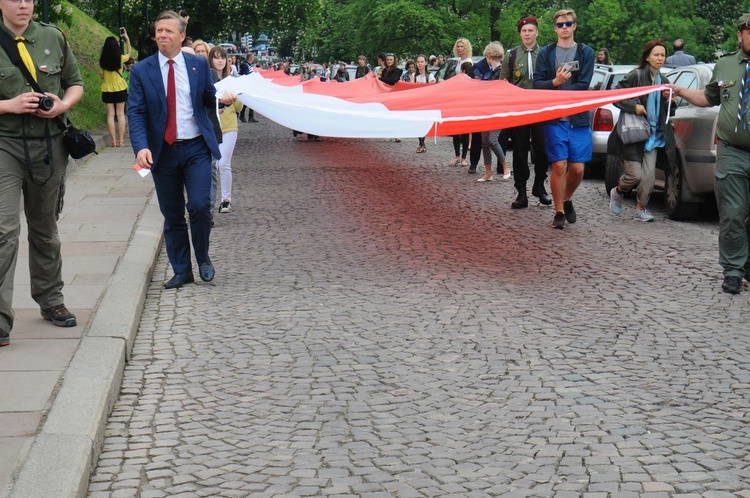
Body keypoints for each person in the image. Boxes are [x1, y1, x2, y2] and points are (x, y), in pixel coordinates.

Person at [127, 10, 237, 289]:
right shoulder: (142, 70)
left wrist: (221, 99)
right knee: (173, 213)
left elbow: (207, 98)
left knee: (200, 206)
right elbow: (137, 112)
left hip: (196, 148)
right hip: (162, 152)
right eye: (159, 31)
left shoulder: (198, 65)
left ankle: (203, 258)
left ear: (182, 35)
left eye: (169, 31)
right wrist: (140, 147)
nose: (162, 35)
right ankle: (181, 269)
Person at [0, 0, 84, 347]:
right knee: (4, 228)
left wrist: (62, 105)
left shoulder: (52, 37)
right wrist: (8, 105)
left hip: (49, 147)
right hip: (5, 145)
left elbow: (75, 83)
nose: (23, 4)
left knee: (45, 227)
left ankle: (51, 301)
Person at [668, 14, 750, 294]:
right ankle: (734, 270)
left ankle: (745, 260)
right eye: (749, 32)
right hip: (732, 150)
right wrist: (681, 91)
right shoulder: (725, 64)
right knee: (732, 213)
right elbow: (708, 98)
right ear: (740, 35)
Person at [533, 9, 594, 229]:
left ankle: (567, 198)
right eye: (560, 25)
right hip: (554, 119)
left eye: (568, 24)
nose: (564, 28)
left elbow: (583, 84)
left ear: (575, 26)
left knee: (577, 169)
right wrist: (555, 82)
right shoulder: (546, 53)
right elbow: (538, 84)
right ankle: (558, 211)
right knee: (559, 165)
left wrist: (558, 88)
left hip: (578, 119)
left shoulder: (586, 52)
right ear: (555, 28)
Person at [608, 40, 675, 223]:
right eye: (656, 55)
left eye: (662, 55)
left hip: (654, 137)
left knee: (648, 178)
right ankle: (618, 191)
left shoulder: (665, 81)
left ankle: (640, 209)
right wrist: (634, 107)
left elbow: (670, 113)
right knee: (634, 175)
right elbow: (615, 96)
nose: (660, 58)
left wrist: (670, 101)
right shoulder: (635, 75)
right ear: (647, 57)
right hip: (634, 134)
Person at [501, 16, 551, 208]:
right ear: (520, 33)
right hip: (519, 110)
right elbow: (503, 84)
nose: (527, 34)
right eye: (524, 31)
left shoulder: (545, 54)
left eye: (531, 30)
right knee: (520, 151)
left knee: (542, 150)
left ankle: (539, 185)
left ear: (537, 32)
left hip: (540, 109)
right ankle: (521, 192)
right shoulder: (511, 55)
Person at [208, 46, 243, 215]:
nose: (220, 60)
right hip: (211, 127)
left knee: (223, 163)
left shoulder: (232, 81)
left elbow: (238, 107)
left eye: (223, 57)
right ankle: (209, 201)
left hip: (229, 126)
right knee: (211, 165)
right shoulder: (207, 80)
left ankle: (226, 200)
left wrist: (232, 98)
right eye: (216, 57)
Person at [477, 43, 510, 182]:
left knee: (492, 140)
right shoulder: (490, 73)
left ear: (489, 56)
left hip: (499, 110)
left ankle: (505, 166)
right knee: (485, 141)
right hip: (487, 109)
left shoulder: (502, 71)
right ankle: (488, 172)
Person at [99, 30, 132, 147]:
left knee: (110, 115)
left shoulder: (102, 61)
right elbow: (129, 54)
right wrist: (127, 39)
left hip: (107, 89)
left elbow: (102, 76)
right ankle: (121, 141)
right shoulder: (120, 58)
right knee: (121, 114)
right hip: (120, 88)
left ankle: (113, 141)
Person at [448, 61, 474, 167]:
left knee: (458, 134)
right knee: (464, 134)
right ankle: (462, 158)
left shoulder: (457, 81)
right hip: (464, 110)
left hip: (459, 110)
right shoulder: (472, 82)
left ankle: (458, 157)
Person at [413, 54, 435, 153]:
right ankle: (421, 143)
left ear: (426, 63)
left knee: (424, 122)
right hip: (417, 102)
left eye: (422, 62)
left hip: (426, 103)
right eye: (418, 62)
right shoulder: (414, 76)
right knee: (418, 123)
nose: (420, 64)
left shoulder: (429, 76)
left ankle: (422, 143)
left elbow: (432, 89)